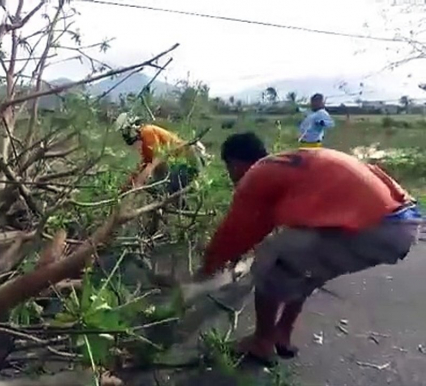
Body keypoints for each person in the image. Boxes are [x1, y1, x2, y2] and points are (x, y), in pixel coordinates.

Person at [198, 132, 421, 365]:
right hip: (403, 222)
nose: (231, 176)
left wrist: (206, 269)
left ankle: (262, 342)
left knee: (272, 261)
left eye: (229, 169)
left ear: (234, 163)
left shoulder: (257, 174)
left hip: (376, 226)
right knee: (308, 269)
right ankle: (282, 333)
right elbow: (260, 227)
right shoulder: (287, 165)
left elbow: (234, 232)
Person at [114, 113, 205, 194]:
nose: (125, 135)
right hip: (178, 164)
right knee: (158, 184)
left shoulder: (147, 131)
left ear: (132, 127)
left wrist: (139, 183)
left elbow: (157, 159)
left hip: (186, 163)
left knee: (160, 187)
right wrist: (125, 188)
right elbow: (144, 165)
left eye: (125, 131)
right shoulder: (144, 141)